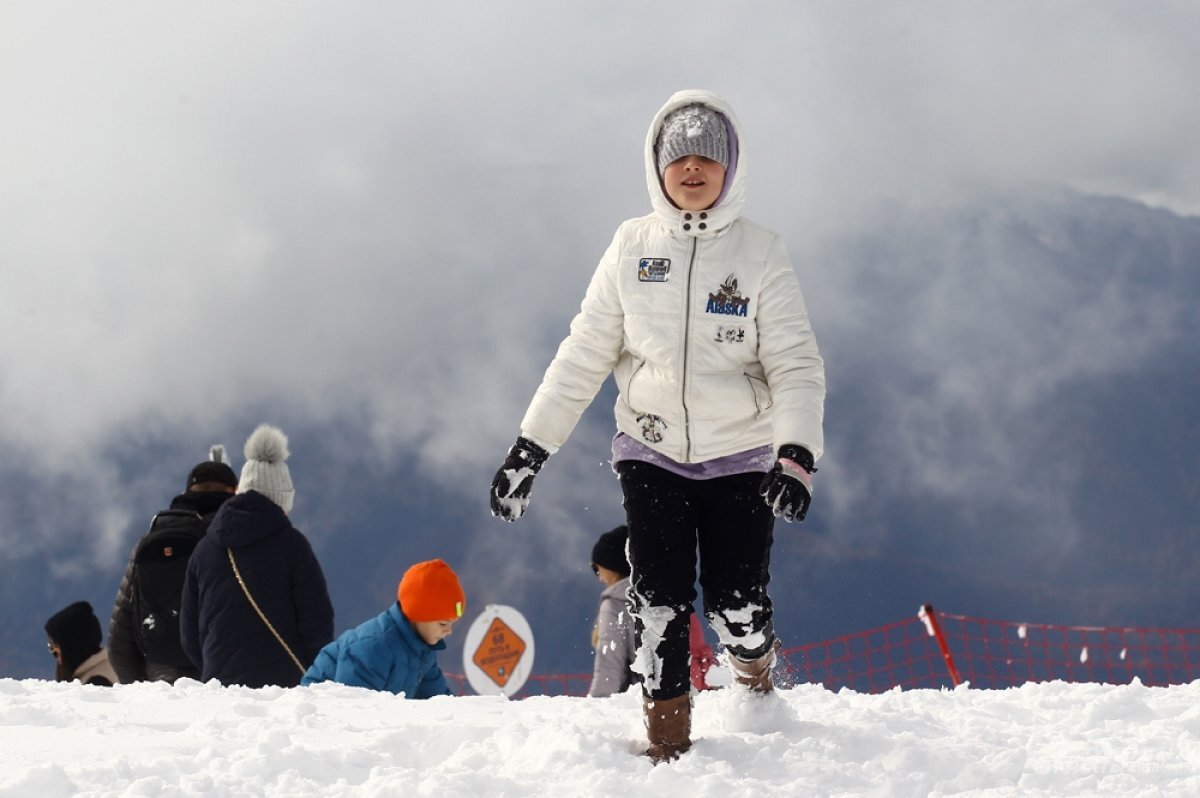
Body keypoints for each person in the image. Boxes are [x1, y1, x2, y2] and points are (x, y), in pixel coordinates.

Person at [489, 90, 825, 763]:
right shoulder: (632, 245)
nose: (692, 169)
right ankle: (666, 749)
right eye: (679, 157)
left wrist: (794, 456)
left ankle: (755, 675)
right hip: (650, 452)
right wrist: (530, 449)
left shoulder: (761, 253)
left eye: (707, 156)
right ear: (657, 167)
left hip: (741, 457)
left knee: (736, 604)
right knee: (659, 601)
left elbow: (794, 362)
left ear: (731, 168)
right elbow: (584, 353)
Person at [180, 424, 334, 688]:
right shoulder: (292, 545)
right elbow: (316, 620)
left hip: (221, 687)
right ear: (281, 500)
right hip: (285, 686)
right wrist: (314, 672)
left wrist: (214, 668)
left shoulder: (205, 549)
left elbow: (189, 633)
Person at [108, 450, 238, 683]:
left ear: (187, 492)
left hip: (161, 672)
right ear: (234, 492)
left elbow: (122, 629)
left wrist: (137, 684)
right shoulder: (234, 537)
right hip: (222, 671)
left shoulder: (152, 538)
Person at [302, 558, 464, 697]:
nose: (448, 631)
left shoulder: (423, 650)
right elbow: (351, 707)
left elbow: (438, 699)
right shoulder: (373, 646)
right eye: (443, 623)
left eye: (452, 623)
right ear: (418, 614)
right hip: (319, 716)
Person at [587, 525, 636, 697]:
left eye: (596, 568)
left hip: (633, 703)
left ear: (612, 565)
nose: (599, 577)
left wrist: (594, 708)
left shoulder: (614, 605)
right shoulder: (654, 599)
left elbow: (609, 667)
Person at [45, 601, 118, 686]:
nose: (55, 657)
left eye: (54, 649)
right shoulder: (104, 668)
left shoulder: (96, 684)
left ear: (71, 649)